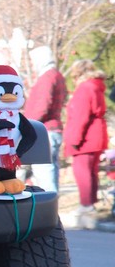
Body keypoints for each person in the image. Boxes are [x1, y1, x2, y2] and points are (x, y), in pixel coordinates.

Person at [62, 59, 109, 217]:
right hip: (96, 134)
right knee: (91, 171)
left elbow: (80, 116)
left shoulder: (85, 88)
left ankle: (86, 204)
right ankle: (91, 202)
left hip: (86, 137)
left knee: (82, 170)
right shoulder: (96, 86)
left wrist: (74, 140)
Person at [22, 46, 67, 192]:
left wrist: (26, 125)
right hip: (53, 128)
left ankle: (49, 208)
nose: (33, 64)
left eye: (34, 60)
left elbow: (43, 105)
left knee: (44, 172)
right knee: (51, 170)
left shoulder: (47, 77)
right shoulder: (57, 75)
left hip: (45, 130)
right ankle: (52, 205)